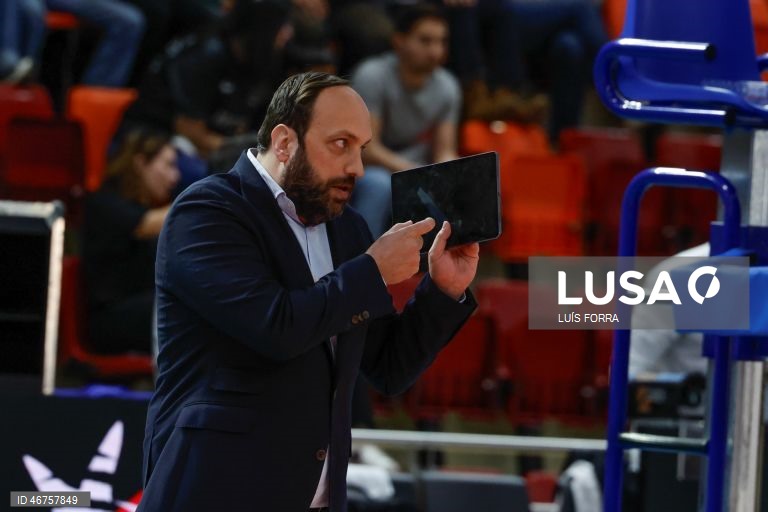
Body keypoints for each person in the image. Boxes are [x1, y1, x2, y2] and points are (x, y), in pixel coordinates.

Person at [137, 71, 479, 512]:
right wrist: (372, 271)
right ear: (284, 142)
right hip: (215, 489)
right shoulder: (207, 212)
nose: (356, 167)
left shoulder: (349, 229)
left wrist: (442, 290)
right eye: (340, 144)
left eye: (362, 148)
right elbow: (275, 327)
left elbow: (389, 367)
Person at [349, 3, 461, 237]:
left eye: (441, 42)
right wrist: (416, 172)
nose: (436, 52)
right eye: (425, 41)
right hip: (370, 168)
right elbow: (368, 149)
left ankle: (437, 270)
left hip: (415, 170)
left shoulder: (448, 87)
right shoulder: (372, 76)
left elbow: (444, 150)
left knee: (453, 192)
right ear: (399, 41)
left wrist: (452, 174)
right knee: (378, 185)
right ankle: (362, 262)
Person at [82, 131, 180, 354]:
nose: (174, 177)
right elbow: (146, 224)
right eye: (168, 165)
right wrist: (204, 198)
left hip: (140, 308)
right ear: (140, 162)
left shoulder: (144, 207)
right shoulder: (104, 202)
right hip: (108, 320)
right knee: (181, 302)